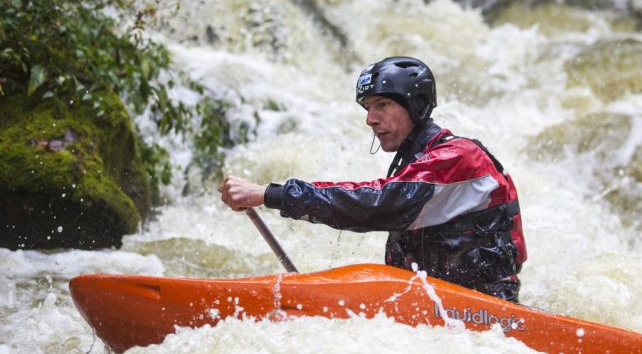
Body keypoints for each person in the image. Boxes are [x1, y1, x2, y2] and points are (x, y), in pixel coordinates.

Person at [218, 56, 527, 302]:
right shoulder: (413, 163)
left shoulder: (459, 157)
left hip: (485, 308)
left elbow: (376, 203)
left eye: (382, 105)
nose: (370, 119)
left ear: (416, 106)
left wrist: (271, 194)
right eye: (368, 108)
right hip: (437, 305)